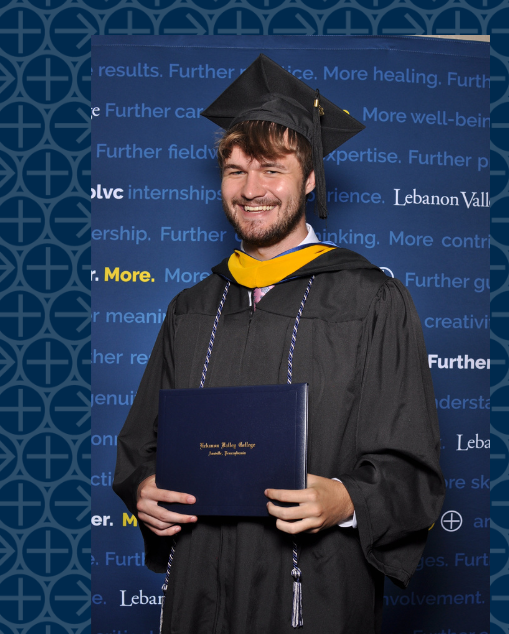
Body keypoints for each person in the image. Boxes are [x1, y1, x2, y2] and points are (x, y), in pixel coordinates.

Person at [112, 54, 444, 634]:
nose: (251, 189)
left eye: (271, 168)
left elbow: (412, 467)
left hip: (313, 592)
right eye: (236, 171)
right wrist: (143, 488)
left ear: (310, 177)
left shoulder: (371, 300)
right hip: (197, 592)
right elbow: (142, 443)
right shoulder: (191, 308)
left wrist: (347, 501)